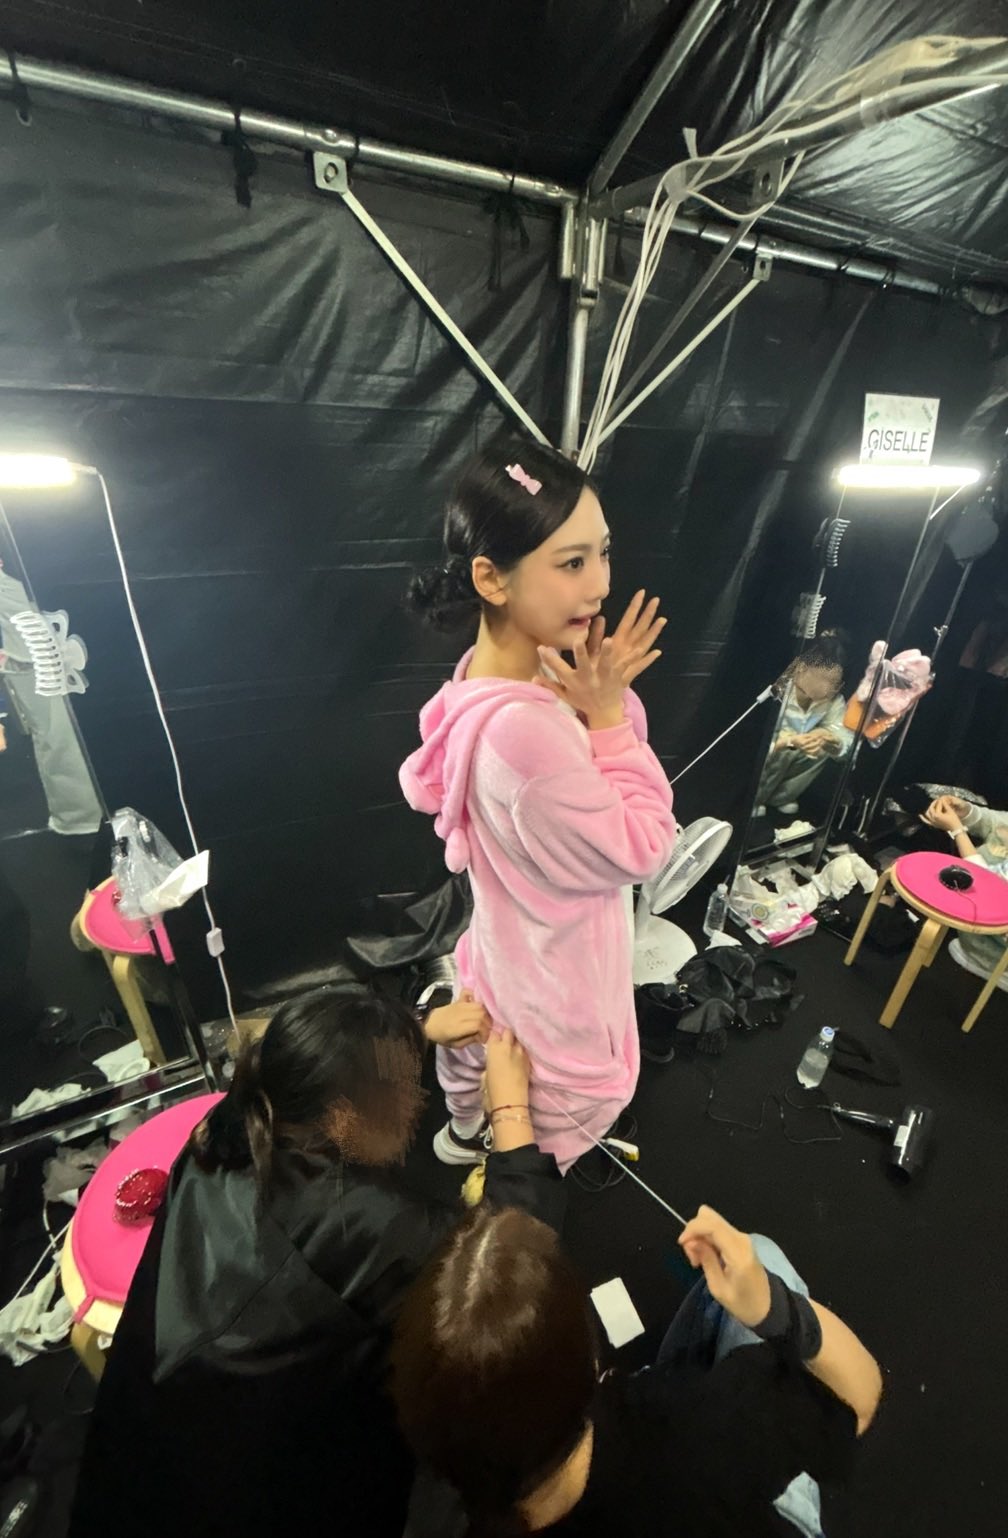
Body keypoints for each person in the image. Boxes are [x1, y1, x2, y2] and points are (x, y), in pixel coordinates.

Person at [68, 989, 563, 1538]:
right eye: (403, 1091)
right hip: (261, 1496)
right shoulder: (363, 1224)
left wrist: (416, 1031)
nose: (416, 1101)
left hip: (140, 1457)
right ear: (348, 1117)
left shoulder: (230, 1123)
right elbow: (511, 1264)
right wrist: (510, 1111)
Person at [400, 432, 675, 1171]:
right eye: (572, 562)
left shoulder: (486, 677)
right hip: (557, 998)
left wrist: (595, 699)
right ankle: (502, 1172)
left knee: (477, 1061)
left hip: (508, 954)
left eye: (604, 553)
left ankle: (464, 1135)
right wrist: (609, 717)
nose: (601, 585)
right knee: (541, 1153)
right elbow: (645, 846)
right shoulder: (526, 737)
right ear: (492, 578)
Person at [391, 1203, 882, 1538]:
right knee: (761, 1252)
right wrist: (771, 1306)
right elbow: (857, 1392)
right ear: (593, 1363)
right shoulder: (700, 1431)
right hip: (722, 1496)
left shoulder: (435, 1516)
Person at [755, 632, 852, 817]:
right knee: (785, 749)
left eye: (836, 684)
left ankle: (781, 797)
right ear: (801, 668)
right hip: (769, 755)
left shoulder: (833, 701)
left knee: (823, 749)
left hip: (794, 756)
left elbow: (846, 743)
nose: (828, 689)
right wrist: (787, 741)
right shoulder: (779, 690)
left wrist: (832, 740)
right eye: (825, 679)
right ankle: (757, 797)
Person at [922, 793, 1008, 988]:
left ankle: (988, 961)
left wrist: (957, 830)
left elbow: (988, 890)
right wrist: (967, 811)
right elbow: (999, 822)